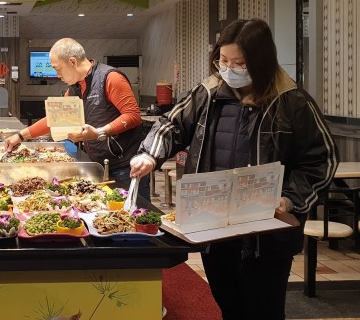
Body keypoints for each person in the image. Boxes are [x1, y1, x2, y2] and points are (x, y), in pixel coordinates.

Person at [130, 19, 338, 320]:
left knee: (262, 311)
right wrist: (151, 154)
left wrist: (290, 198)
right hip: (214, 230)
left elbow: (322, 160)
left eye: (239, 63)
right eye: (223, 60)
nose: (229, 69)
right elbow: (172, 124)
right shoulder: (209, 93)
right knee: (229, 305)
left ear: (260, 61)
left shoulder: (291, 101)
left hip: (265, 236)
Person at [4, 38, 144, 194]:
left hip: (126, 167)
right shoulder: (74, 89)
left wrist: (99, 133)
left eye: (58, 69)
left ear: (72, 62)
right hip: (99, 165)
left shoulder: (110, 78)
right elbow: (54, 120)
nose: (57, 75)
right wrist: (20, 135)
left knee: (136, 213)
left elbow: (132, 115)